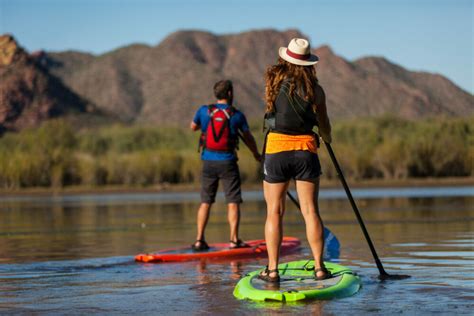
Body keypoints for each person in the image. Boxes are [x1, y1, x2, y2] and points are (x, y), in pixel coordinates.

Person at [259, 38, 332, 282]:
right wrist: (327, 137)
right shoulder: (316, 90)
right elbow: (324, 125)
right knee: (311, 211)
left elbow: (273, 113)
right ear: (309, 63)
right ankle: (320, 268)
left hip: (276, 150)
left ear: (286, 60)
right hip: (305, 151)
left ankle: (272, 270)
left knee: (274, 212)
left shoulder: (272, 83)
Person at [190, 79, 261, 250]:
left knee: (205, 201)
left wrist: (205, 126)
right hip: (228, 162)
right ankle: (234, 240)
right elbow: (248, 137)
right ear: (230, 93)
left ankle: (199, 240)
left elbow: (193, 127)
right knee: (233, 201)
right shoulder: (237, 115)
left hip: (208, 162)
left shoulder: (203, 111)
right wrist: (256, 154)